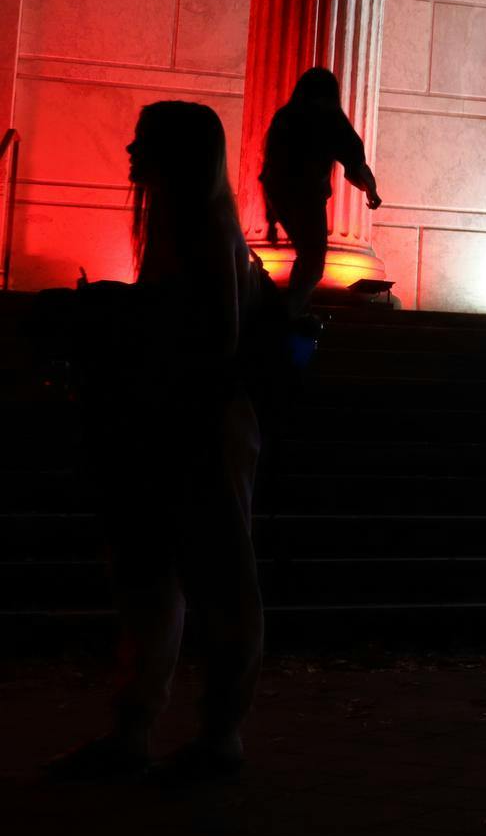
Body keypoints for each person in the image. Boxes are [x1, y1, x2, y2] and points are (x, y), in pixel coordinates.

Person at [47, 101, 265, 783]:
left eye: (144, 141)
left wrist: (116, 313)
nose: (130, 150)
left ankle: (208, 735)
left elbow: (212, 337)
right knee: (159, 581)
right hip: (177, 427)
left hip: (195, 429)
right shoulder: (188, 224)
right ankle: (152, 730)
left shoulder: (201, 230)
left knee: (206, 582)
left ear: (176, 154)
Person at [258, 67, 381, 312]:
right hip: (305, 196)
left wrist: (270, 217)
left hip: (284, 193)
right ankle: (289, 311)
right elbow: (355, 160)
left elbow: (269, 169)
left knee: (310, 259)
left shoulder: (287, 117)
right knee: (312, 262)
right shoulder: (328, 118)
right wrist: (371, 189)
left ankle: (291, 307)